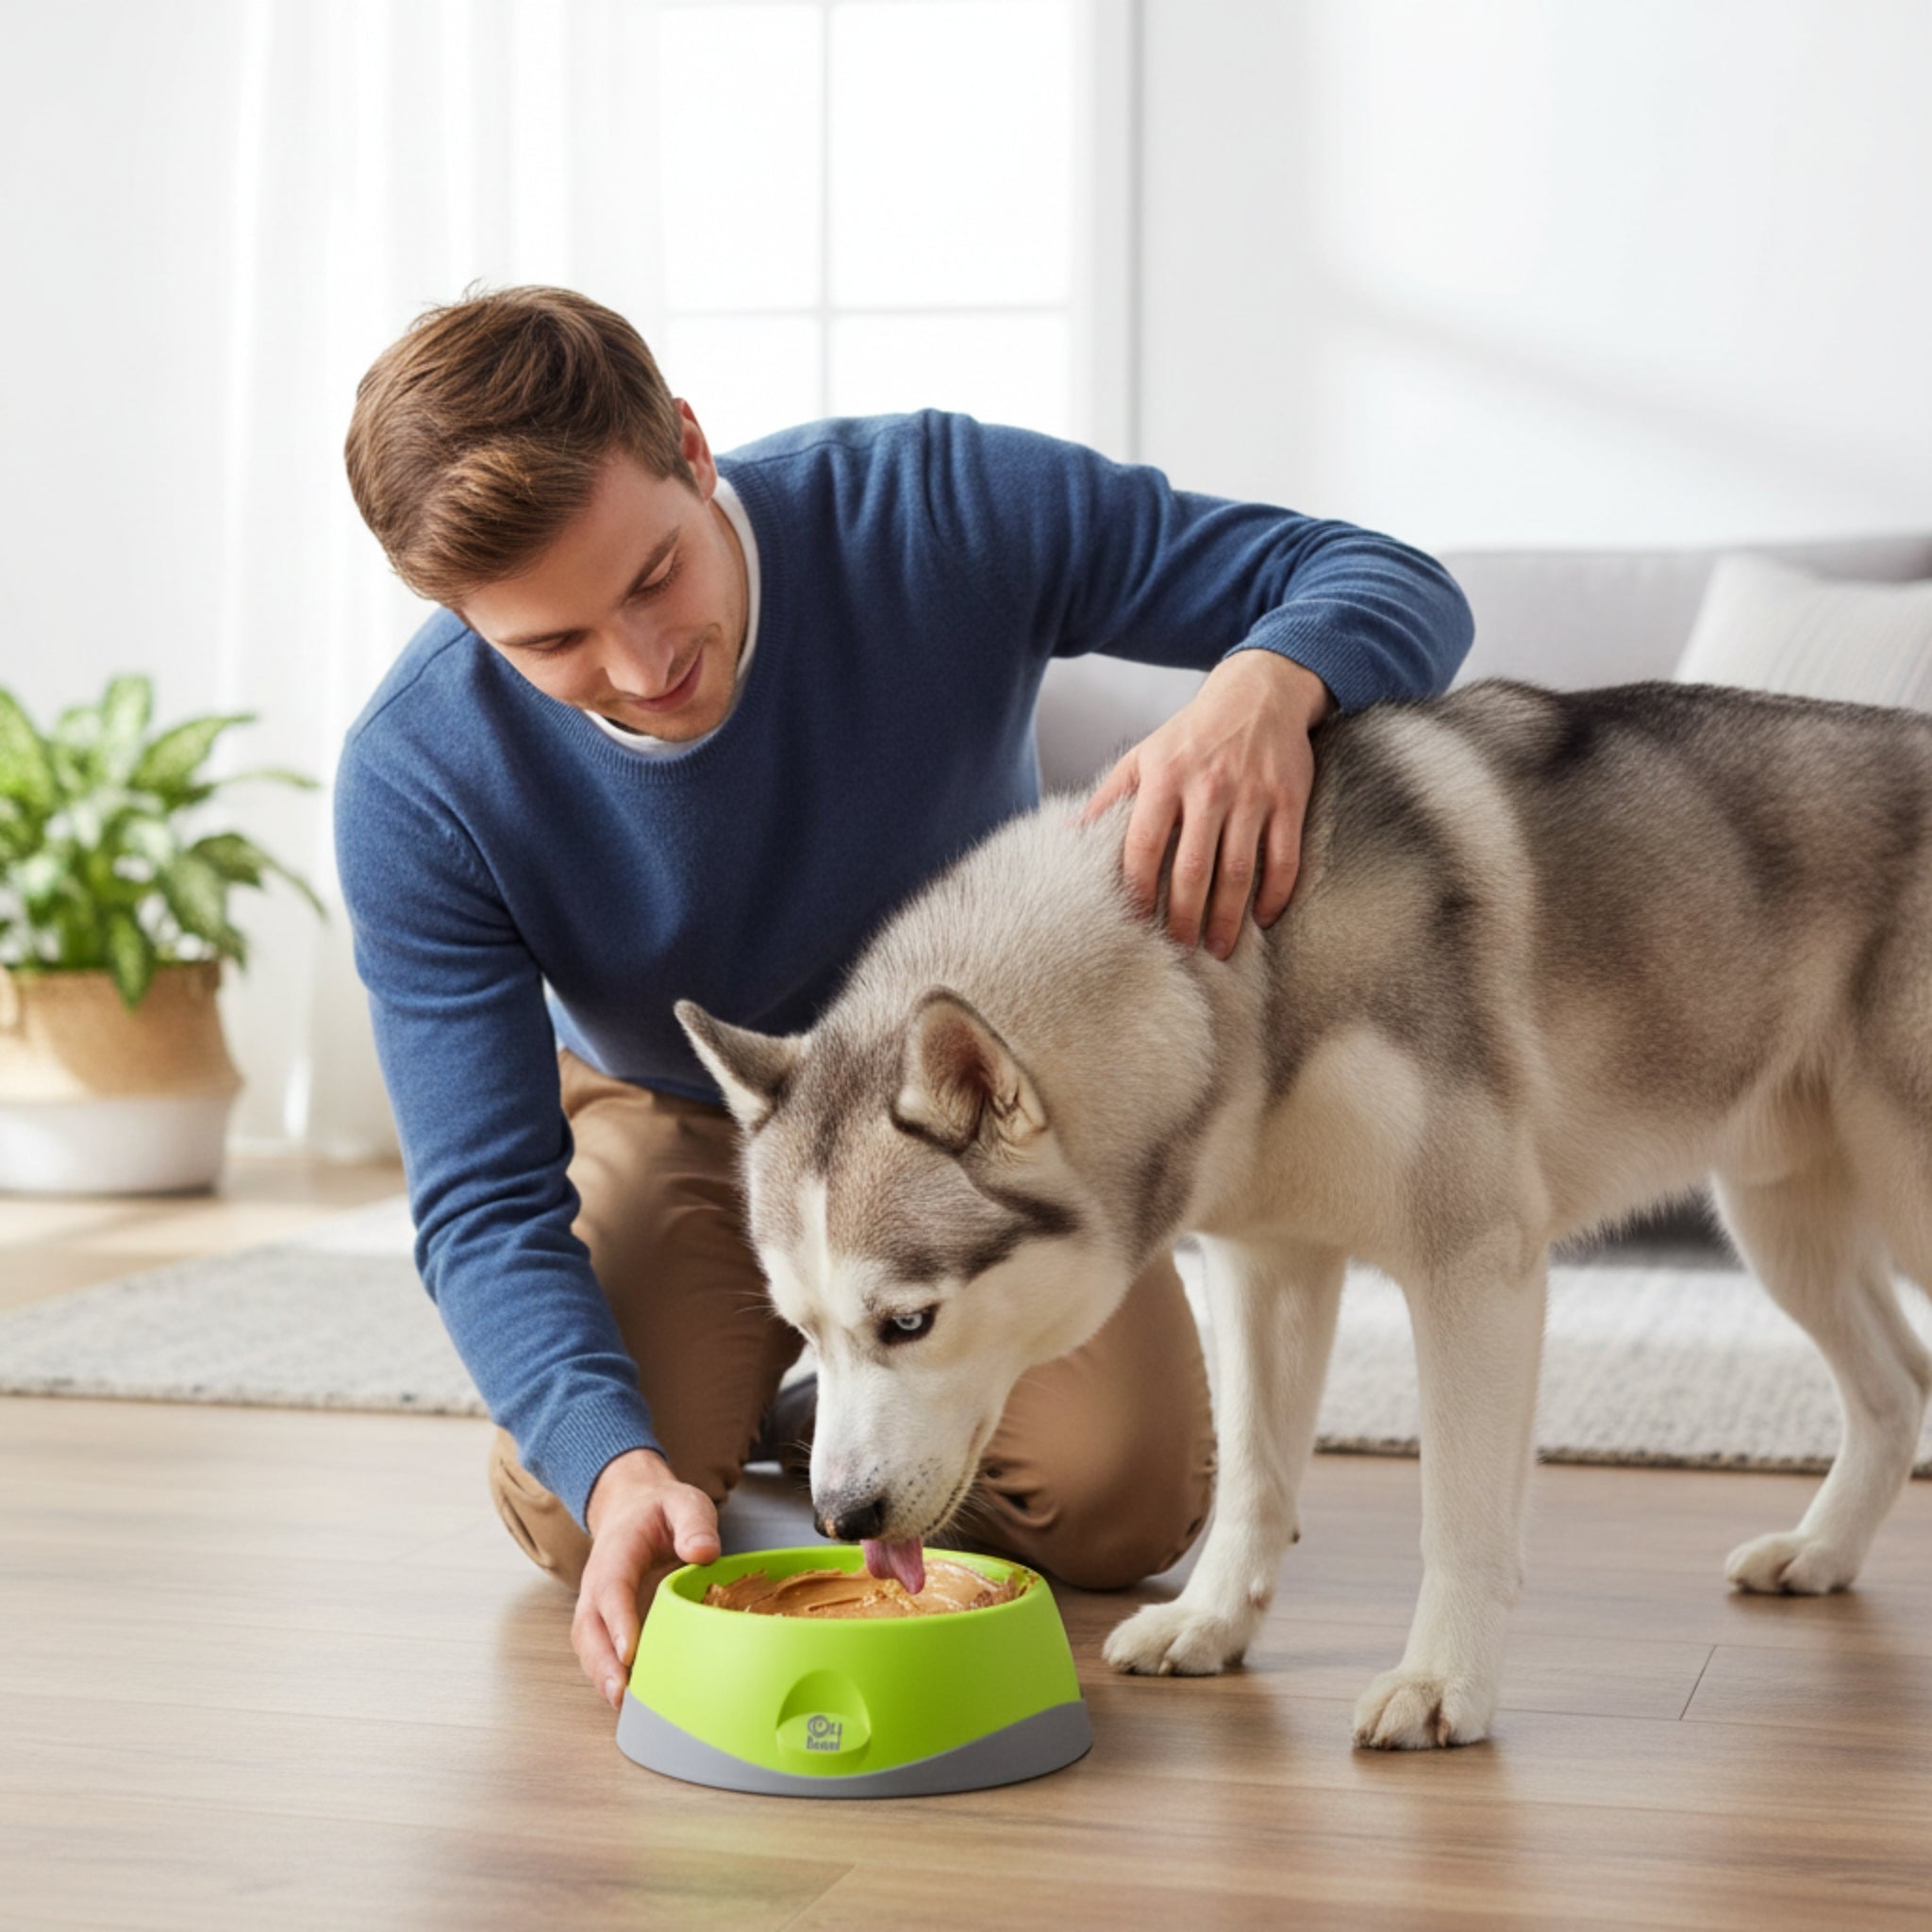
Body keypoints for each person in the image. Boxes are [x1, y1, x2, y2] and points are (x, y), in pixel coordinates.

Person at [335, 284, 1474, 1713]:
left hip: (969, 1139)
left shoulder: (933, 508)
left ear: (692, 449)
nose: (638, 670)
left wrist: (1266, 687)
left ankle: (826, 1380)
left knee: (1122, 1506)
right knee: (593, 1514)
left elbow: (1389, 579)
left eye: (650, 579)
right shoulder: (415, 777)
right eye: (549, 647)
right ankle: (749, 1378)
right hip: (684, 1106)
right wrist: (617, 1462)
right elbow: (484, 1204)